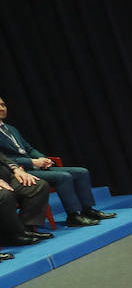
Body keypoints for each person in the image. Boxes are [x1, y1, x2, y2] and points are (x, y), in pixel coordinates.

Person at [0, 96, 114, 228]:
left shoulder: (11, 129)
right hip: (18, 172)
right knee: (63, 177)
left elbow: (28, 149)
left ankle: (88, 210)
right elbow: (5, 160)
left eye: (3, 105)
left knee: (81, 172)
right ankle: (73, 216)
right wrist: (32, 162)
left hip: (34, 166)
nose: (2, 108)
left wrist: (43, 159)